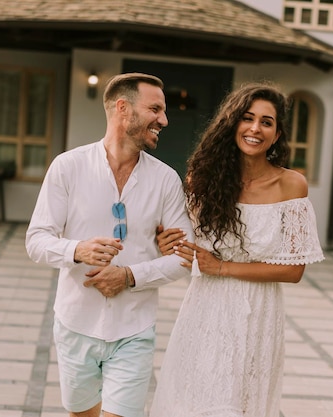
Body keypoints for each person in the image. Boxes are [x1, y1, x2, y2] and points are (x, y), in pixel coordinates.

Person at [150, 82, 325, 417]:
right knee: (193, 402)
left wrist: (222, 268)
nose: (255, 128)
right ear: (232, 123)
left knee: (242, 405)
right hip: (205, 311)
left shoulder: (291, 184)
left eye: (267, 122)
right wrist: (166, 244)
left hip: (259, 313)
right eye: (247, 118)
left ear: (277, 134)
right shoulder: (201, 180)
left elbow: (294, 270)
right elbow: (185, 247)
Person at [25, 73, 194, 417]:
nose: (164, 119)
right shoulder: (68, 167)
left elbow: (184, 257)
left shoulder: (165, 179)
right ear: (123, 108)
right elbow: (36, 240)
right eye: (155, 109)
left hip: (134, 327)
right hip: (75, 322)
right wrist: (77, 250)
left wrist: (130, 275)